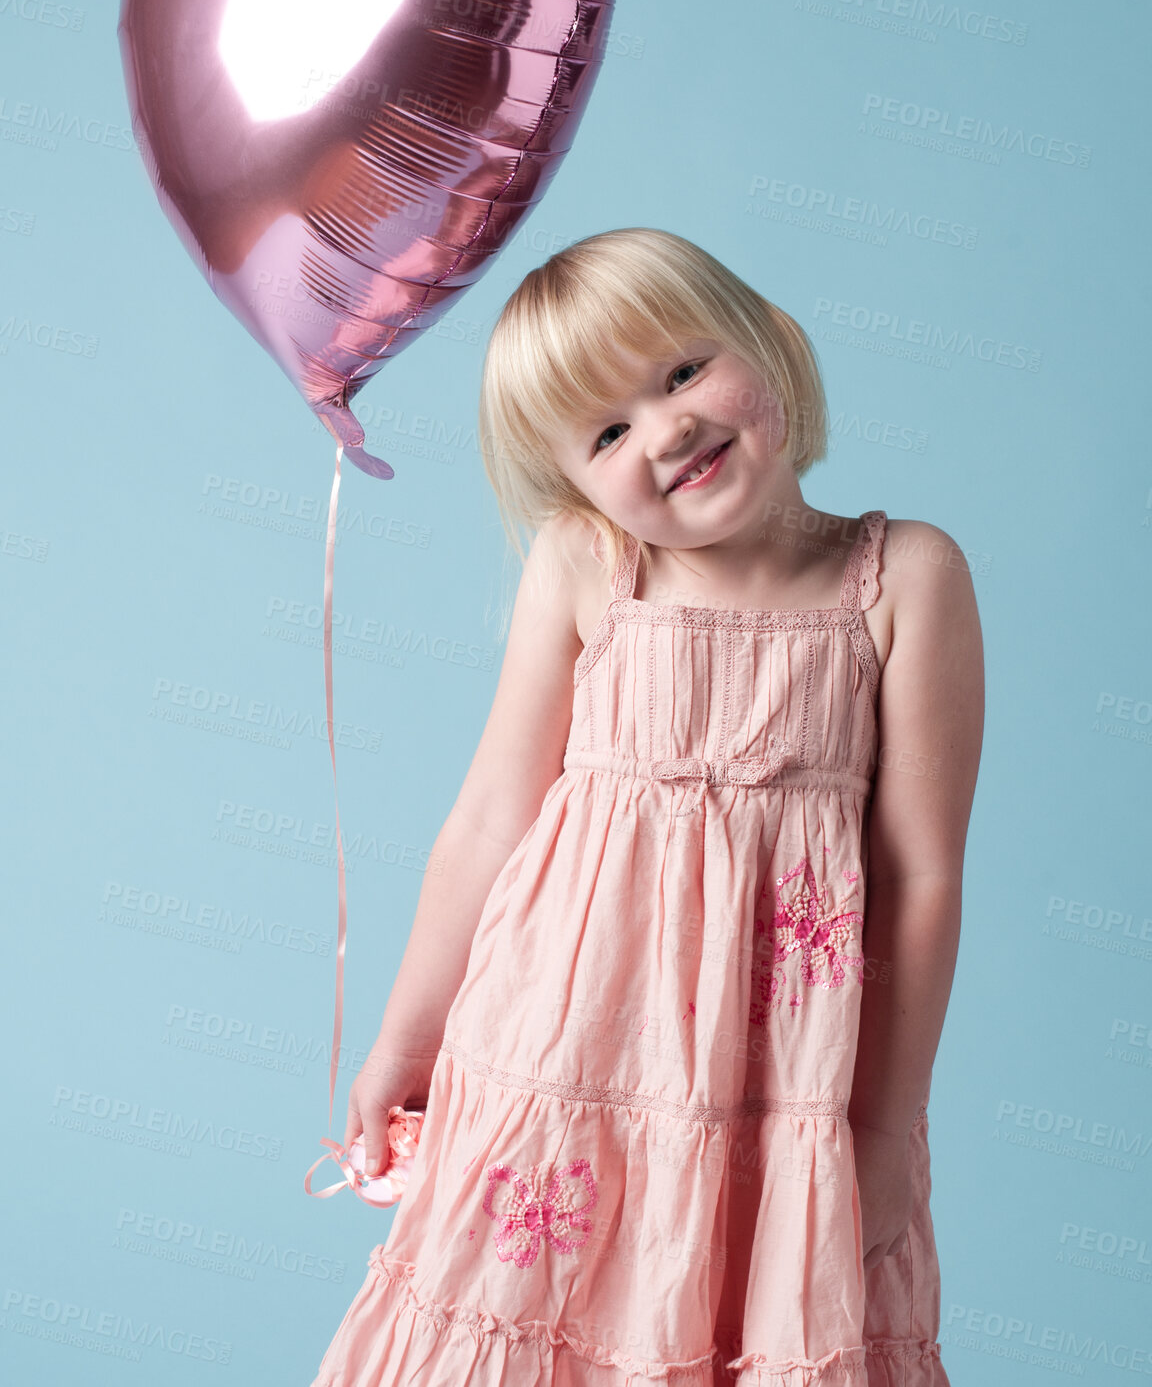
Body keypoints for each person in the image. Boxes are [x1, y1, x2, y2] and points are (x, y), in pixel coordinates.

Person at [308, 226, 984, 1385]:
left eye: (681, 372)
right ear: (572, 482)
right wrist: (401, 1037)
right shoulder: (587, 566)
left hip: (783, 1086)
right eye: (608, 431)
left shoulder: (903, 578)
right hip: (561, 1059)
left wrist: (878, 1130)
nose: (667, 429)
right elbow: (486, 822)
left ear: (768, 342)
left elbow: (920, 878)